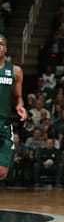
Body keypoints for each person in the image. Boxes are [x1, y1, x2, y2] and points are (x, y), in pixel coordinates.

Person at [0, 34, 27, 183]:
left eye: (1, 44)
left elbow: (18, 97)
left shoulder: (15, 71)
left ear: (6, 48)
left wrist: (21, 107)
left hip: (3, 122)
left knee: (2, 170)